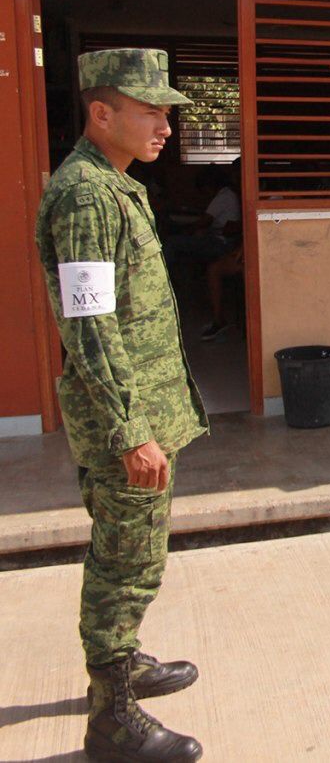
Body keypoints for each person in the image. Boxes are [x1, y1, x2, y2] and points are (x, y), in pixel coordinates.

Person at [34, 48, 209, 762]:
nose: (165, 126)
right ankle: (111, 717)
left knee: (135, 552)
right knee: (123, 562)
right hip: (125, 423)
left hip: (142, 412)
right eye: (149, 112)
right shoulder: (86, 195)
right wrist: (131, 431)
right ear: (101, 113)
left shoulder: (116, 184)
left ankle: (124, 659)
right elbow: (90, 325)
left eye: (167, 113)